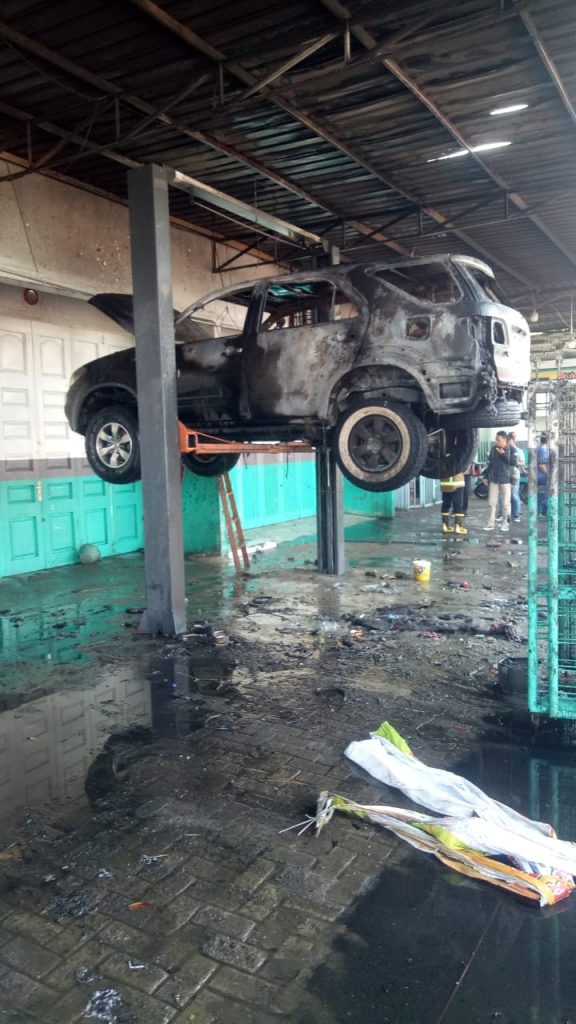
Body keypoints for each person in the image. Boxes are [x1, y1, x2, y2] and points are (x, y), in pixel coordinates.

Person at [483, 431, 517, 532]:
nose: (496, 442)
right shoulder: (493, 449)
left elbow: (514, 463)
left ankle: (505, 524)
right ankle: (490, 524)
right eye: (496, 440)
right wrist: (486, 476)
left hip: (506, 480)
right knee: (491, 503)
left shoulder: (511, 449)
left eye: (498, 440)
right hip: (494, 479)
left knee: (506, 503)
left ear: (505, 440)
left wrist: (503, 455)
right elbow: (490, 464)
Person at [507, 431, 525, 523]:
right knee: (504, 496)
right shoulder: (505, 450)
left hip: (514, 475)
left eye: (510, 439)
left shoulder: (519, 451)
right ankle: (503, 514)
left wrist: (514, 462)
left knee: (514, 495)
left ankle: (516, 514)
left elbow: (522, 463)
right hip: (505, 475)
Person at [536, 433, 550, 517]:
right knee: (543, 495)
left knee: (543, 495)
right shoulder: (543, 450)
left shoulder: (542, 449)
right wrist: (548, 474)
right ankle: (541, 512)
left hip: (541, 476)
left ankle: (542, 512)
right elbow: (541, 464)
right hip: (542, 476)